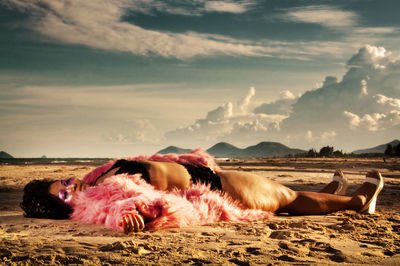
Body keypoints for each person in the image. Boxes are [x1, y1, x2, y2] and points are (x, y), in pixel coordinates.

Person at [20, 150, 384, 234]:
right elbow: (126, 207)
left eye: (65, 182)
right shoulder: (103, 197)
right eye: (66, 194)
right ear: (68, 209)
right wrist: (127, 218)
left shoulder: (98, 178)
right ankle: (358, 201)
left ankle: (331, 194)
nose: (74, 186)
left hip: (205, 175)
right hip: (217, 189)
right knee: (287, 199)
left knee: (286, 196)